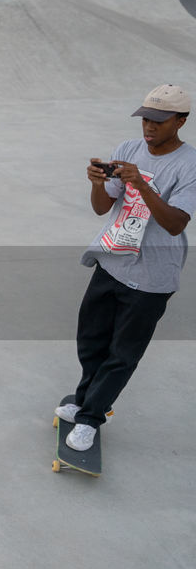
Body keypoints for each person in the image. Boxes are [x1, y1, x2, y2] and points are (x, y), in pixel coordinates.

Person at [58, 85, 195, 452]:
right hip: (111, 260)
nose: (149, 127)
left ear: (181, 121)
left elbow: (176, 223)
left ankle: (90, 418)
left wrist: (141, 183)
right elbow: (103, 208)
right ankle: (85, 399)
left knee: (123, 354)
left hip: (152, 277)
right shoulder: (128, 149)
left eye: (159, 121)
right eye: (146, 118)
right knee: (91, 340)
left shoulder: (190, 165)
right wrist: (98, 182)